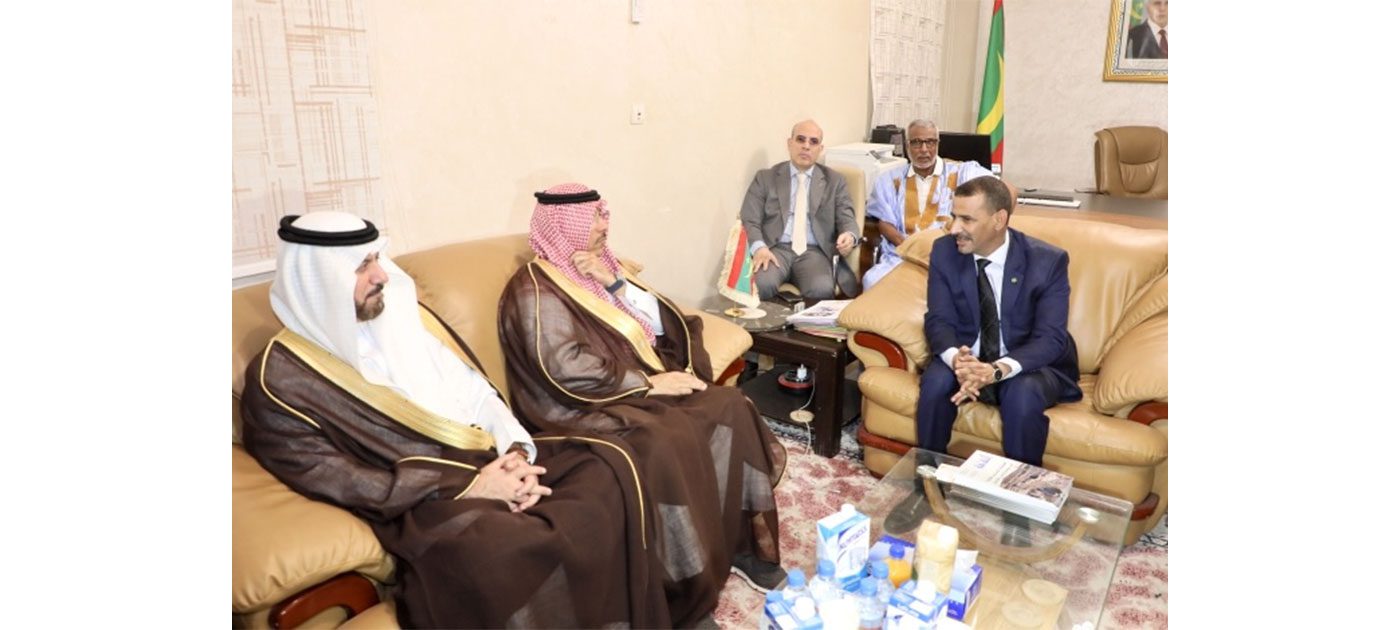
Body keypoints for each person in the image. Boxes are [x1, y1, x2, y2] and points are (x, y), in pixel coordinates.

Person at [239, 211, 683, 627]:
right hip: (422, 497)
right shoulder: (280, 381)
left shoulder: (395, 320)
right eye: (362, 267)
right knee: (499, 549)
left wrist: (516, 453)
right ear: (317, 283)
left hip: (491, 457)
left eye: (375, 259)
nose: (381, 275)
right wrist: (473, 486)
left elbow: (478, 394)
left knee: (608, 469)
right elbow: (334, 476)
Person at [497, 184, 790, 604]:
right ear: (564, 225)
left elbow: (658, 327)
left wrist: (614, 283)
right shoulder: (534, 289)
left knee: (730, 405)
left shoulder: (602, 265)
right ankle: (683, 582)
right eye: (595, 218)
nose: (605, 225)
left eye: (604, 215)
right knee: (664, 440)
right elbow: (562, 367)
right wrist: (649, 384)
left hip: (634, 383)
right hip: (576, 405)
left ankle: (742, 544)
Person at [915, 176, 1082, 468]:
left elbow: (1050, 338)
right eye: (954, 216)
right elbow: (938, 319)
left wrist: (995, 370)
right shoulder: (944, 251)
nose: (954, 228)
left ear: (999, 220)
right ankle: (927, 476)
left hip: (1026, 363)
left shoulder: (1047, 262)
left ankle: (1019, 490)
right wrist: (958, 361)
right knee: (935, 382)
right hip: (969, 356)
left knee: (1021, 394)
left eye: (967, 219)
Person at [862, 119, 996, 290]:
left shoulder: (962, 172)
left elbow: (1003, 191)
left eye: (930, 142)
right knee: (872, 281)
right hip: (903, 254)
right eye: (917, 142)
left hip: (951, 255)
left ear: (938, 144)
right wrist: (912, 249)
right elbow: (884, 223)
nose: (924, 149)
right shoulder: (888, 179)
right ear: (907, 145)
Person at [739, 119, 860, 299]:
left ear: (820, 149)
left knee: (821, 289)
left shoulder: (835, 181)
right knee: (760, 284)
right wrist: (759, 248)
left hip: (814, 252)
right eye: (800, 139)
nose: (806, 146)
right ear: (790, 143)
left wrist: (849, 236)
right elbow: (749, 219)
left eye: (813, 142)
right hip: (773, 250)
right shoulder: (765, 178)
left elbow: (847, 218)